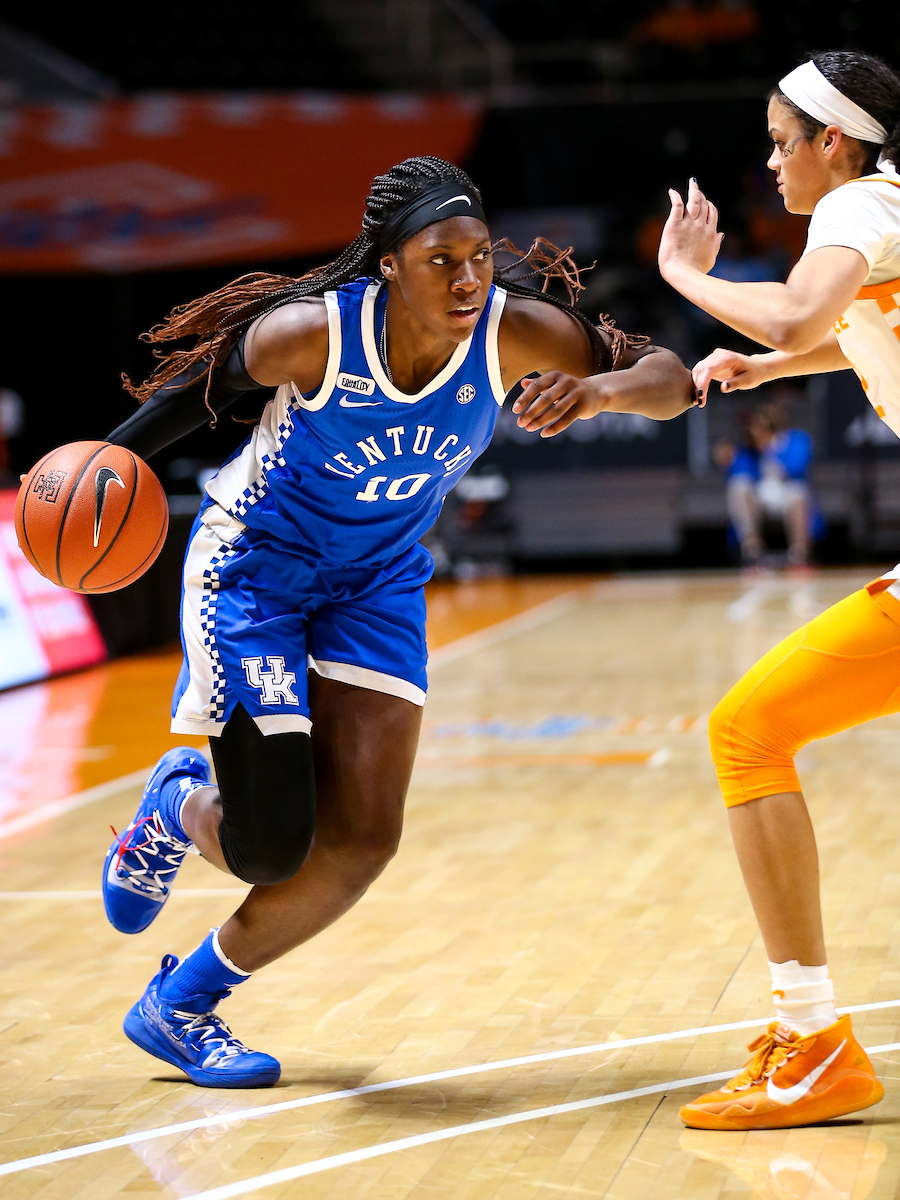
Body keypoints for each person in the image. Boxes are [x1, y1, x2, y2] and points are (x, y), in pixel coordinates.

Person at [100, 156, 694, 1088]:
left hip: (376, 584)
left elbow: (673, 377)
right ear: (387, 264)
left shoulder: (513, 331)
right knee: (268, 845)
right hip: (255, 574)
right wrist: (95, 474)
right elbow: (185, 399)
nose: (466, 280)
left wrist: (602, 392)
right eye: (439, 261)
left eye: (477, 257)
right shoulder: (308, 339)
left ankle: (180, 1005)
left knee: (364, 842)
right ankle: (176, 803)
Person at [658, 51, 900, 1128]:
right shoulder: (882, 212)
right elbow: (842, 330)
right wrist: (766, 368)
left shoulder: (859, 201)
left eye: (778, 140)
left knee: (749, 732)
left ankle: (810, 1044)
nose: (770, 161)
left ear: (832, 143)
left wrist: (684, 279)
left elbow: (802, 309)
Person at [716, 400, 813, 565]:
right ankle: (752, 549)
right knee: (738, 487)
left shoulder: (795, 439)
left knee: (799, 492)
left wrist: (771, 451)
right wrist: (728, 458)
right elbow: (738, 472)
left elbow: (798, 466)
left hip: (785, 492)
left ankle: (799, 552)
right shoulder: (750, 445)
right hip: (760, 494)